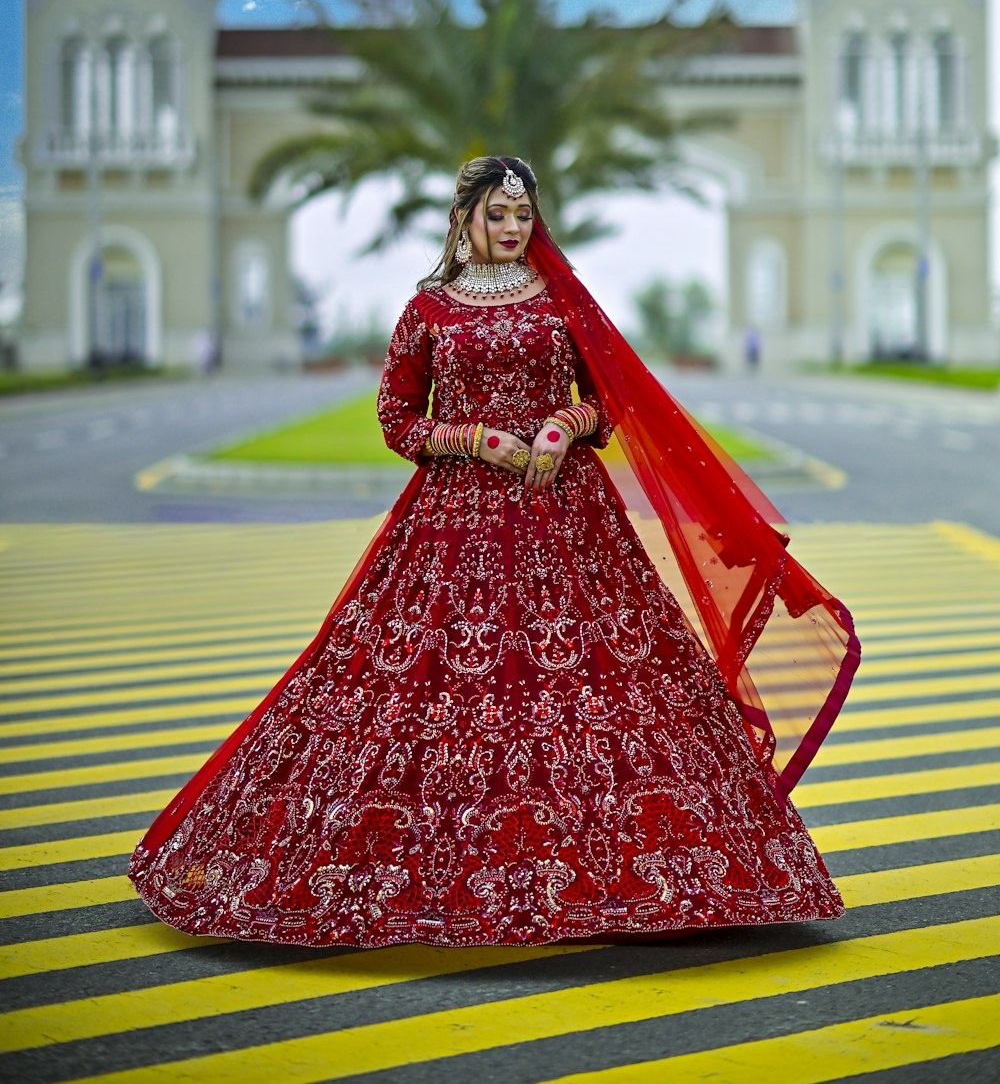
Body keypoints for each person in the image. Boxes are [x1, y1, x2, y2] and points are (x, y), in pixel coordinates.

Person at [128, 155, 860, 948]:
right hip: (452, 528)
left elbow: (604, 406)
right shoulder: (429, 309)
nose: (512, 230)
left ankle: (667, 880)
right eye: (497, 215)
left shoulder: (562, 301)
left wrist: (562, 427)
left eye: (523, 216)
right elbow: (397, 419)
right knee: (408, 689)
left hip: (568, 516)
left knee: (601, 686)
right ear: (464, 218)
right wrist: (476, 439)